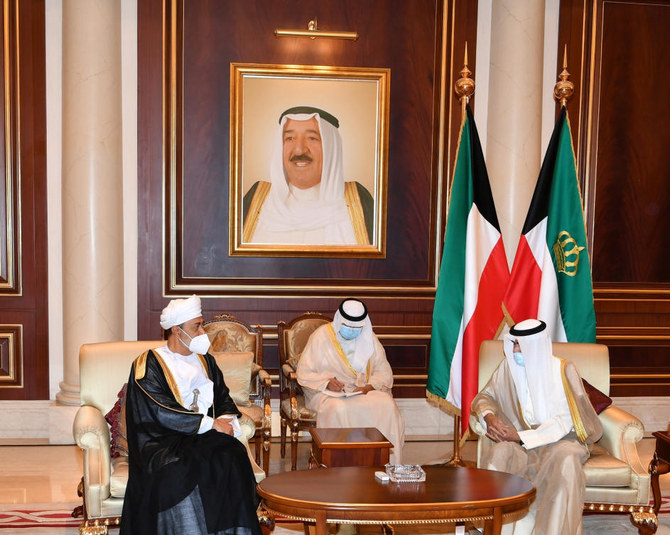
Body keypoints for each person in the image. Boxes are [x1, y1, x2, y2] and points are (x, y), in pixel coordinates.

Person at [120, 295, 262, 535]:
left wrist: (226, 419)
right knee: (177, 471)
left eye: (201, 324)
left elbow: (222, 396)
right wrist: (209, 424)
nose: (203, 331)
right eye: (196, 326)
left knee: (232, 456)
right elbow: (158, 409)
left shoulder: (205, 360)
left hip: (204, 434)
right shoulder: (149, 363)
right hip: (163, 439)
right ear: (177, 330)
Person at [470, 319, 603, 535]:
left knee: (567, 461)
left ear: (535, 345)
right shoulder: (508, 368)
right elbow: (485, 396)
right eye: (513, 344)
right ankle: (498, 529)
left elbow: (568, 419)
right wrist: (489, 416)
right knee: (499, 453)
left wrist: (521, 436)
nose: (514, 350)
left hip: (561, 440)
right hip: (518, 442)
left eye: (520, 345)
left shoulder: (563, 370)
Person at [242, 106, 374, 245]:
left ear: (331, 148)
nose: (299, 150)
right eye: (290, 138)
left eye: (312, 138)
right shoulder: (256, 199)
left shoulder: (357, 201)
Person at [296, 298, 405, 463]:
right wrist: (327, 382)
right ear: (340, 321)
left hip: (363, 390)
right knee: (338, 409)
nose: (352, 330)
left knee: (387, 405)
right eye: (348, 327)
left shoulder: (369, 338)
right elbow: (304, 372)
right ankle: (340, 463)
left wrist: (369, 386)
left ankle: (383, 463)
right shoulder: (321, 336)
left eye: (357, 328)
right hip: (327, 393)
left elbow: (383, 371)